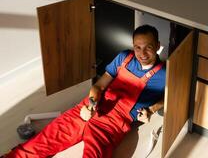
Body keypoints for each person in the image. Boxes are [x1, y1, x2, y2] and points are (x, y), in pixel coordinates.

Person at [3, 24, 166, 158]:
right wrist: (91, 104)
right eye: (137, 47)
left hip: (112, 126)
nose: (142, 53)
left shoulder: (164, 74)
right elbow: (99, 86)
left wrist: (151, 110)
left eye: (148, 47)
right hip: (89, 110)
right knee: (38, 144)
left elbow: (171, 97)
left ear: (157, 46)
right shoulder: (125, 57)